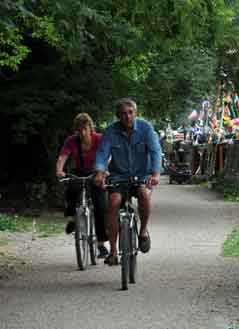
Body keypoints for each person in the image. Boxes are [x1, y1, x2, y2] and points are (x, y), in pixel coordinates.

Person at [94, 98, 162, 266]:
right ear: (118, 116)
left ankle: (143, 232)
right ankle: (114, 252)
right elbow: (102, 154)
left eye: (130, 112)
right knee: (113, 202)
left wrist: (155, 174)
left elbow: (155, 151)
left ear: (136, 113)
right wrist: (100, 173)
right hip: (119, 176)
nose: (127, 116)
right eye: (123, 114)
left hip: (142, 175)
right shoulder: (110, 132)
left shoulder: (146, 128)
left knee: (144, 194)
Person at [56, 113, 109, 258]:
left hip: (97, 172)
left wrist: (104, 171)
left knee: (100, 205)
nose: (82, 132)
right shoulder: (71, 141)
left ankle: (101, 244)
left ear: (90, 127)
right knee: (72, 188)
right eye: (79, 130)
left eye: (85, 128)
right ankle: (74, 218)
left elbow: (107, 155)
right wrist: (59, 170)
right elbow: (63, 156)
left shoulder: (99, 139)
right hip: (79, 172)